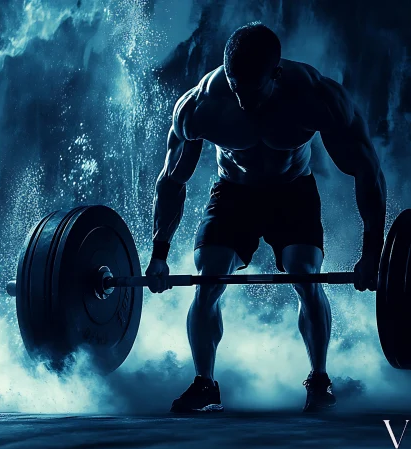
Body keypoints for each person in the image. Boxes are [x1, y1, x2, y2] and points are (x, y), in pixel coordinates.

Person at [145, 21, 386, 413]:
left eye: (253, 91)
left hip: (292, 192)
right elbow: (171, 181)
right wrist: (159, 253)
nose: (243, 102)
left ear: (276, 74)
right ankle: (205, 384)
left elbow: (368, 172)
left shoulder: (315, 98)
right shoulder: (200, 107)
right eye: (236, 89)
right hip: (233, 193)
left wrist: (372, 252)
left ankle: (319, 378)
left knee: (305, 275)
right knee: (207, 279)